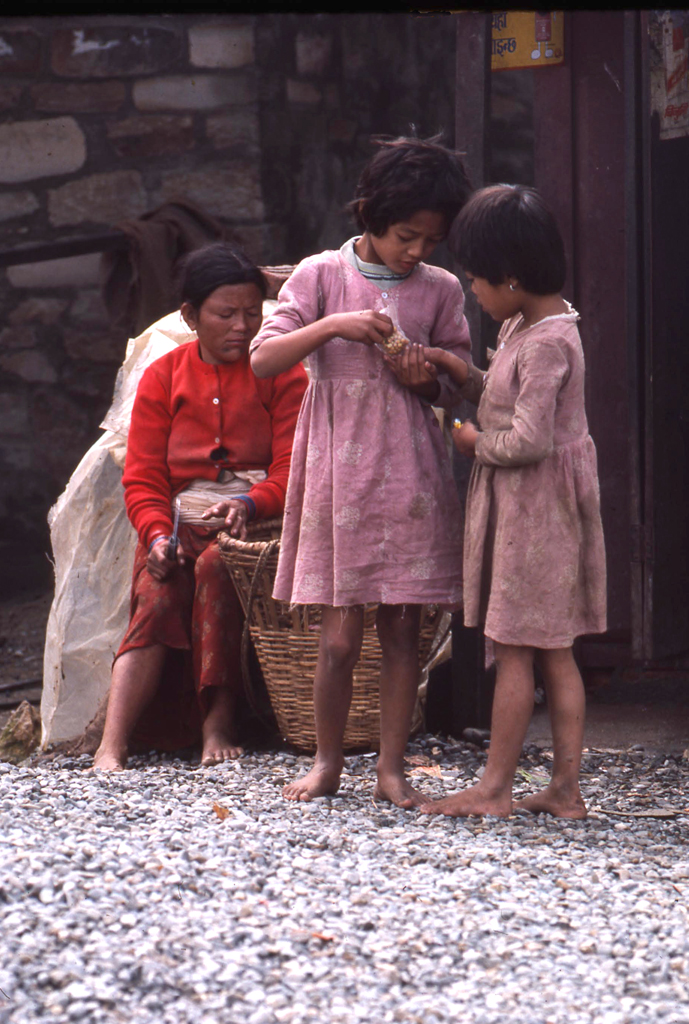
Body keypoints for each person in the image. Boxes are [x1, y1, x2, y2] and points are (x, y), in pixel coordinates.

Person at [250, 136, 473, 806]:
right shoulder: (319, 276)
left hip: (408, 475)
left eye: (431, 240)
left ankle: (391, 768)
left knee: (402, 630)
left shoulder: (440, 289)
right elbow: (264, 358)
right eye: (407, 235)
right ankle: (326, 762)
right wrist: (331, 327)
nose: (417, 252)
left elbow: (457, 383)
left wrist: (425, 378)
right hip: (337, 476)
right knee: (339, 637)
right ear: (369, 215)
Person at [418, 184, 607, 819]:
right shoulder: (524, 322)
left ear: (511, 276)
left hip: (537, 509)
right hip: (533, 503)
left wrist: (472, 443)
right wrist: (462, 372)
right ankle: (563, 789)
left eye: (476, 280)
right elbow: (507, 394)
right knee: (552, 647)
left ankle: (496, 787)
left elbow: (528, 438)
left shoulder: (550, 340)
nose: (473, 291)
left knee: (521, 645)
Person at [93, 243, 308, 771]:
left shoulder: (282, 372)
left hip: (257, 525)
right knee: (157, 592)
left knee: (216, 569)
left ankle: (218, 723)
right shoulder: (163, 377)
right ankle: (111, 742)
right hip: (177, 520)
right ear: (190, 315)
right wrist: (156, 537)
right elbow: (143, 477)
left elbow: (291, 468)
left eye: (253, 313)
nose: (242, 326)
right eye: (225, 314)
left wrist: (248, 503)